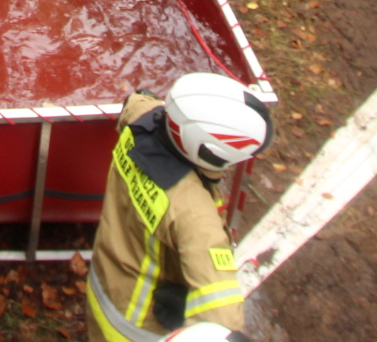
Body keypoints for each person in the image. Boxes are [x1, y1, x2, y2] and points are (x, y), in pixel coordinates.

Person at [85, 73, 273, 342]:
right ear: (212, 153)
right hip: (135, 330)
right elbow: (221, 320)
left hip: (102, 284)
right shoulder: (196, 216)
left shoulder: (141, 122)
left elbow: (137, 102)